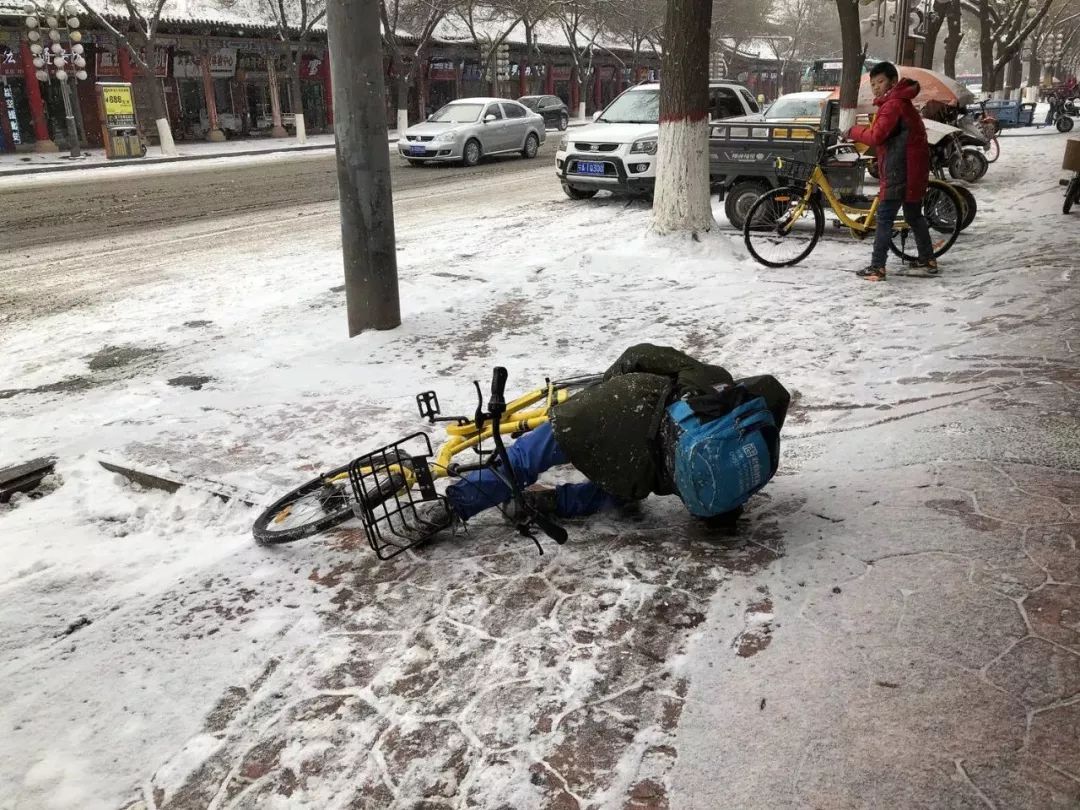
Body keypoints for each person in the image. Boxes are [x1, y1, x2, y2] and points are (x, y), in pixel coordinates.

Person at [414, 344, 790, 537]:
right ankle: (546, 502)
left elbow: (637, 356)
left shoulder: (712, 377)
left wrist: (606, 386)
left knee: (526, 458)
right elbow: (711, 514)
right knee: (619, 494)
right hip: (637, 472)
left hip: (600, 414)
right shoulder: (740, 468)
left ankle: (452, 506)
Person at [846, 61, 935, 281]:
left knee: (884, 218)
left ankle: (877, 267)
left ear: (892, 82)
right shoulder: (898, 103)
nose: (876, 87)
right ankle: (927, 259)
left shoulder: (893, 105)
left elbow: (877, 136)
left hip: (900, 169)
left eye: (880, 82)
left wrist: (852, 131)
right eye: (873, 84)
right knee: (914, 216)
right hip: (911, 167)